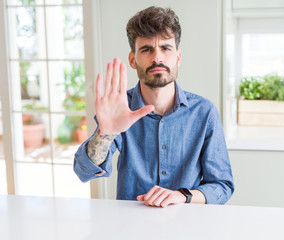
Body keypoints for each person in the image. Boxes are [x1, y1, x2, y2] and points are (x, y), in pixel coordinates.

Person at [74, 6, 234, 208]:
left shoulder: (204, 112)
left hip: (187, 226)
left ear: (178, 56)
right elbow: (83, 172)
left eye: (166, 48)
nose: (157, 57)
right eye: (147, 49)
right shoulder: (119, 108)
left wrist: (181, 196)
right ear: (133, 59)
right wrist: (105, 133)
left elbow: (223, 186)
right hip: (131, 228)